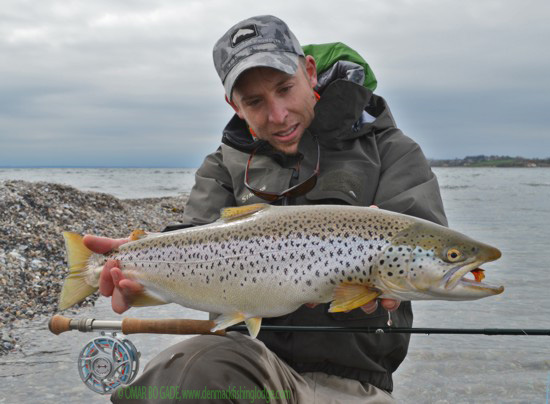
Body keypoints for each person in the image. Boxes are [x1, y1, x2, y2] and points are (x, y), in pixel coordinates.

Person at [84, 15, 447, 403]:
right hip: (242, 365)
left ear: (309, 71)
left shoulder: (391, 150)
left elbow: (427, 250)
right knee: (180, 375)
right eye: (255, 102)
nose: (278, 115)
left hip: (353, 383)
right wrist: (139, 278)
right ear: (234, 106)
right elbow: (193, 239)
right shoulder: (223, 165)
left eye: (285, 89)